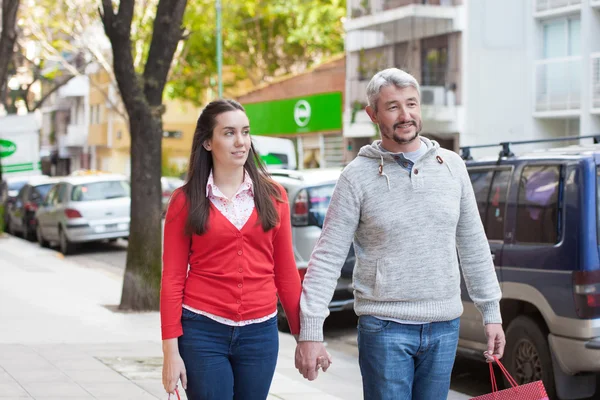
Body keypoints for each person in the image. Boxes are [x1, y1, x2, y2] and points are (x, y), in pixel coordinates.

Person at [295, 68, 505, 400]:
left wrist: (491, 313)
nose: (405, 115)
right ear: (373, 114)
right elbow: (327, 258)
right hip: (384, 327)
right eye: (393, 106)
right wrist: (311, 331)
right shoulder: (356, 177)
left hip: (444, 325)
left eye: (411, 104)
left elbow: (473, 244)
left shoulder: (452, 167)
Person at [160, 99, 304, 400]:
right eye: (228, 133)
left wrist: (305, 336)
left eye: (245, 132)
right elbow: (172, 279)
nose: (240, 142)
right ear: (208, 142)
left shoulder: (274, 195)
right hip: (202, 332)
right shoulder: (185, 201)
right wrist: (170, 352)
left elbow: (287, 272)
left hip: (260, 334)